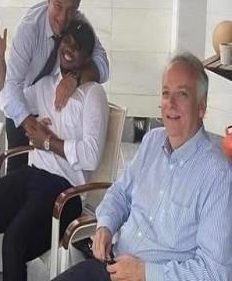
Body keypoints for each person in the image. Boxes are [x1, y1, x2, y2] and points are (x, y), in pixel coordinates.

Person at [52, 53, 232, 281]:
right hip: (113, 267)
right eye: (166, 93)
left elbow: (215, 272)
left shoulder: (217, 175)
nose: (171, 104)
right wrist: (106, 225)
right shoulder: (152, 142)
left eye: (182, 94)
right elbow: (120, 193)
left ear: (201, 107)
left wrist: (144, 272)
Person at [0, 19, 109, 281]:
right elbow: (9, 102)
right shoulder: (46, 85)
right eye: (67, 41)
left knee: (14, 241)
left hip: (65, 191)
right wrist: (1, 58)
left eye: (78, 47)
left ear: (86, 58)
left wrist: (48, 142)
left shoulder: (93, 94)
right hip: (33, 176)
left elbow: (91, 156)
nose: (69, 49)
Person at [0, 0, 109, 172]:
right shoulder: (29, 29)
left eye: (71, 9)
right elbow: (12, 87)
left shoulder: (78, 24)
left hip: (53, 109)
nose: (63, 17)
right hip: (23, 105)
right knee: (16, 173)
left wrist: (75, 78)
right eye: (58, 6)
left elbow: (103, 65)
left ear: (77, 8)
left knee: (51, 171)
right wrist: (33, 127)